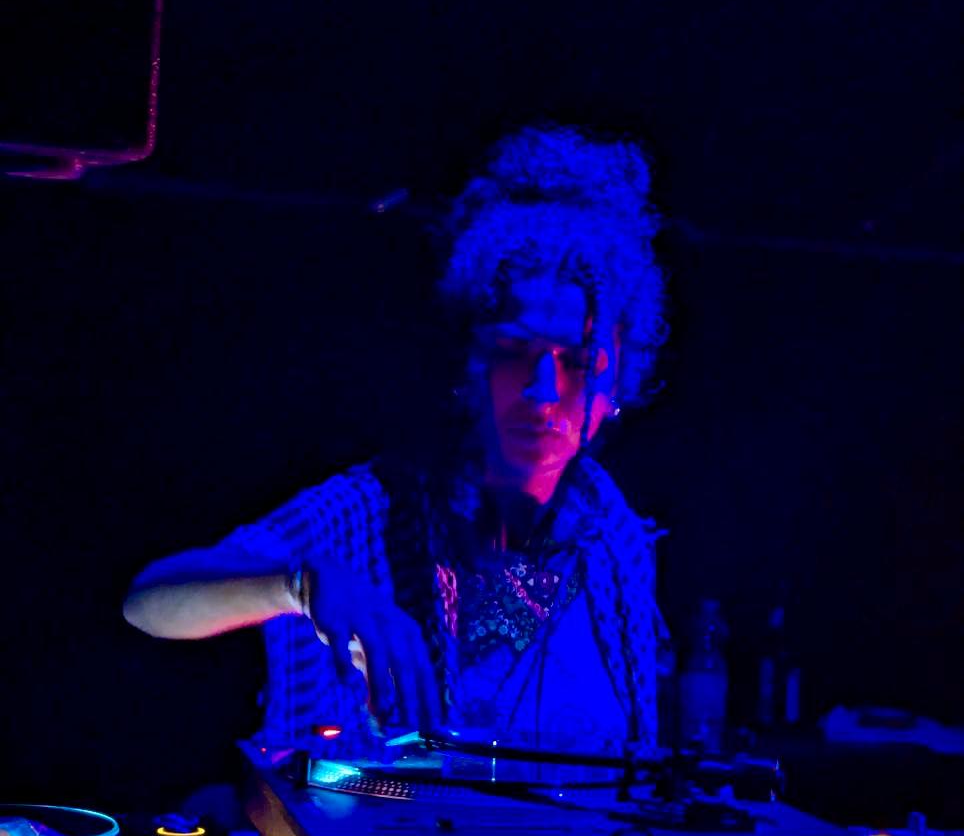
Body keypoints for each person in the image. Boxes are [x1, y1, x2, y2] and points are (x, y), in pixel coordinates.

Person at [124, 124, 669, 758]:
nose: (544, 390)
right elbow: (150, 602)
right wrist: (297, 585)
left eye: (577, 361)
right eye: (514, 352)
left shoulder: (615, 539)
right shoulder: (376, 512)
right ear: (471, 363)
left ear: (616, 380)